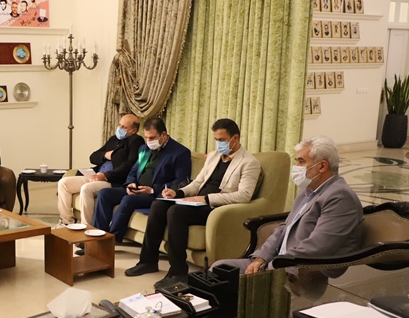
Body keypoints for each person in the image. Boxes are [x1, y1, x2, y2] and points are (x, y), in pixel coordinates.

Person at [125, 118, 261, 288]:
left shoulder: (249, 162)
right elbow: (197, 183)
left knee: (176, 212)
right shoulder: (213, 156)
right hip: (196, 201)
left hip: (216, 207)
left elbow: (244, 195)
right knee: (158, 205)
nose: (219, 144)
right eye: (216, 139)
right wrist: (178, 192)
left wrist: (206, 198)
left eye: (222, 140)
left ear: (235, 138)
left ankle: (178, 272)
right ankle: (148, 261)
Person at [213, 136, 363, 278]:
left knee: (226, 282)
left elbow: (317, 247)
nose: (296, 167)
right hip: (278, 262)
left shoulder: (340, 197)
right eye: (296, 161)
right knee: (219, 267)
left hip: (305, 271)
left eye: (301, 161)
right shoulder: (307, 190)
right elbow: (284, 228)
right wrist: (261, 258)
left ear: (322, 166)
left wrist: (274, 265)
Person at [92, 118, 191, 243]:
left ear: (163, 134)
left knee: (128, 200)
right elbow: (133, 171)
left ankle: (110, 240)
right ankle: (97, 236)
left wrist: (152, 190)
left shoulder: (180, 152)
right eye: (146, 137)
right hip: (136, 189)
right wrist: (130, 183)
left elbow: (181, 181)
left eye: (152, 138)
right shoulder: (144, 148)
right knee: (104, 194)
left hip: (155, 194)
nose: (149, 141)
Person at [57, 114, 143, 229]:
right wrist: (106, 155)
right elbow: (93, 157)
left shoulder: (136, 141)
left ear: (134, 131)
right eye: (119, 125)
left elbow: (129, 165)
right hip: (96, 175)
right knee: (64, 183)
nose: (119, 128)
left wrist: (106, 176)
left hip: (113, 180)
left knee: (86, 188)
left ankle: (86, 227)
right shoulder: (114, 139)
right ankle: (66, 222)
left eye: (124, 127)